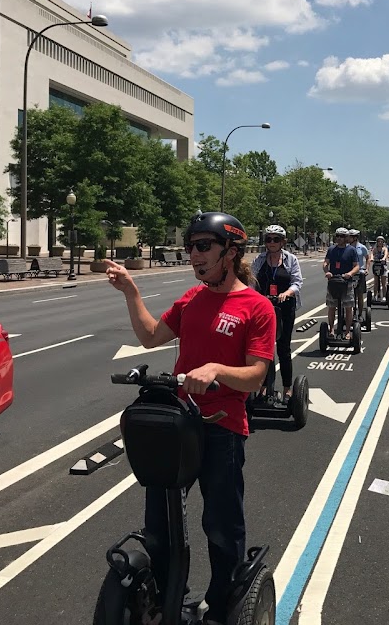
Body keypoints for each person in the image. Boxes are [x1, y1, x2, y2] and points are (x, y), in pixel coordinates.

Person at [104, 211, 274, 624]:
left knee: (221, 526)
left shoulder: (256, 307)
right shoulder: (192, 299)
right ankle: (164, 602)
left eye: (203, 247)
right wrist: (131, 291)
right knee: (159, 526)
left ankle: (220, 608)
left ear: (230, 253)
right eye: (191, 246)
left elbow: (256, 376)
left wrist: (216, 370)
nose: (193, 255)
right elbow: (149, 337)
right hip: (178, 428)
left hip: (222, 429)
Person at [251, 224, 303, 400]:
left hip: (285, 308)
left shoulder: (290, 260)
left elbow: (297, 282)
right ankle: (264, 386)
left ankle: (287, 388)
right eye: (268, 239)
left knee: (283, 348)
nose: (271, 242)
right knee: (263, 349)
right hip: (263, 308)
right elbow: (251, 280)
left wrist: (286, 293)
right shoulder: (260, 259)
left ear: (283, 242)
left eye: (276, 239)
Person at [323, 227, 359, 339]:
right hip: (333, 281)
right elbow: (325, 263)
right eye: (337, 236)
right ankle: (331, 330)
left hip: (346, 282)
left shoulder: (351, 250)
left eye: (342, 236)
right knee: (331, 306)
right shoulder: (331, 249)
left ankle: (347, 331)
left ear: (347, 238)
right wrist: (327, 271)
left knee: (348, 307)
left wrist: (350, 273)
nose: (339, 238)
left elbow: (357, 266)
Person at [347, 228, 370, 324]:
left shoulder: (362, 247)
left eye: (350, 237)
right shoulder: (347, 247)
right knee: (349, 295)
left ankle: (360, 314)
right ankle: (349, 315)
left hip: (360, 273)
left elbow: (368, 258)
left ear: (355, 238)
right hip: (349, 274)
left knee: (359, 295)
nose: (348, 238)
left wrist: (367, 269)